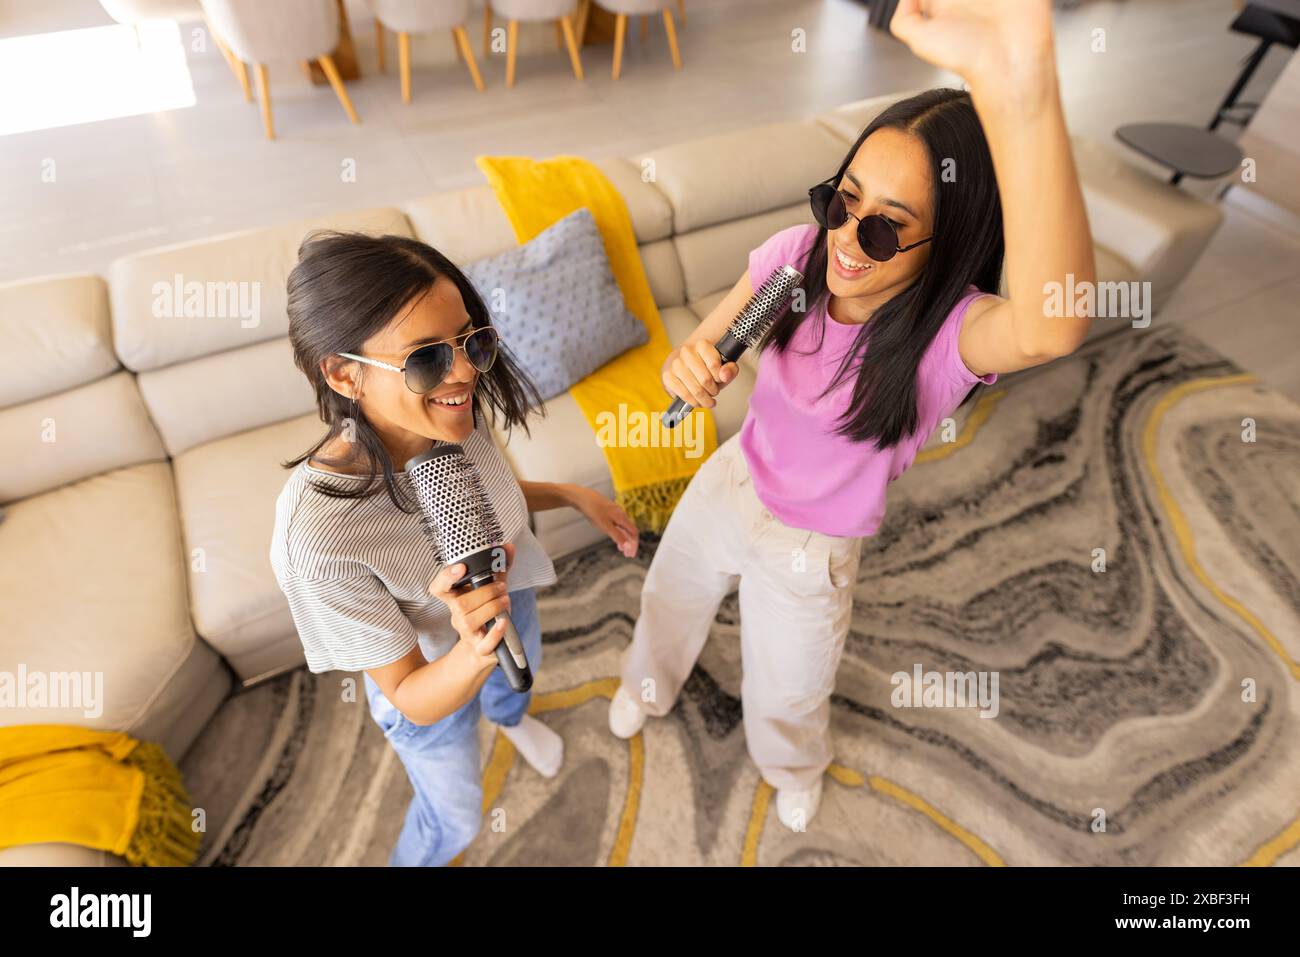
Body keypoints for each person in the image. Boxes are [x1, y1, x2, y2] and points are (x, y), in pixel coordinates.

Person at [608, 0, 1095, 830]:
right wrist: (690, 365)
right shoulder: (793, 259)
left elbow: (1054, 319)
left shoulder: (950, 336)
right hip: (733, 478)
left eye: (882, 230)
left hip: (814, 548)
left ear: (944, 246)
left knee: (789, 685)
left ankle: (793, 766)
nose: (841, 238)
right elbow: (704, 345)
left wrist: (1026, 89)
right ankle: (643, 687)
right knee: (670, 596)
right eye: (843, 200)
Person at [271, 232, 639, 866]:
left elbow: (489, 498)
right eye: (425, 358)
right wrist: (473, 650)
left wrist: (574, 496)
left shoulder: (451, 411)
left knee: (515, 687)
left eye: (469, 341)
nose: (466, 371)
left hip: (508, 601)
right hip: (437, 671)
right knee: (458, 821)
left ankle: (511, 717)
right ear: (343, 374)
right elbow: (410, 692)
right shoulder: (318, 538)